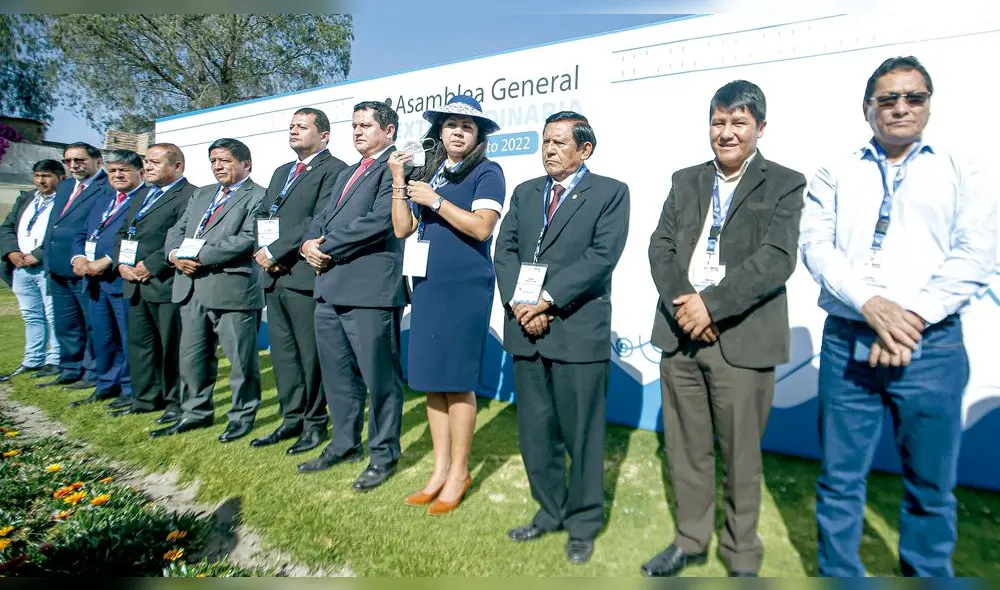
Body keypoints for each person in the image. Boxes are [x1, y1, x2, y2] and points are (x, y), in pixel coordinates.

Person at [799, 56, 997, 577]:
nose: (901, 107)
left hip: (932, 348)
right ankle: (840, 575)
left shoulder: (962, 168)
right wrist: (871, 305)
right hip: (849, 342)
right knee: (839, 481)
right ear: (868, 109)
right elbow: (817, 247)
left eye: (914, 97)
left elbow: (976, 253)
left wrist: (909, 318)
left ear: (929, 103)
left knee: (930, 487)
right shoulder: (834, 171)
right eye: (888, 98)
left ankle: (927, 575)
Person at [643, 80, 806, 578]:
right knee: (686, 450)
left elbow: (776, 260)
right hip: (681, 336)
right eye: (719, 122)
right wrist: (687, 306)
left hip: (741, 341)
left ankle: (741, 556)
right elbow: (661, 248)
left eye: (739, 122)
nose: (727, 132)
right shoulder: (685, 179)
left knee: (741, 456)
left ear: (760, 127)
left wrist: (710, 307)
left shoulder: (785, 183)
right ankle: (690, 541)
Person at [494, 111, 630, 564]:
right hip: (526, 330)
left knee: (582, 436)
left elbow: (601, 257)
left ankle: (583, 523)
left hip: (576, 333)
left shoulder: (610, 193)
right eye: (545, 142)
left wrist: (547, 300)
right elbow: (506, 249)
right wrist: (520, 304)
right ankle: (549, 511)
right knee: (535, 434)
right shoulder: (525, 192)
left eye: (559, 143)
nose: (549, 150)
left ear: (584, 149)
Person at [387, 95, 506, 515]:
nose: (457, 131)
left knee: (457, 382)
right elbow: (403, 228)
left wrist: (435, 201)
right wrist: (401, 180)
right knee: (433, 382)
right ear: (439, 130)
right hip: (429, 286)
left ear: (478, 136)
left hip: (464, 288)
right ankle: (438, 471)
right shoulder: (431, 172)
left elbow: (480, 228)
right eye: (450, 124)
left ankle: (459, 472)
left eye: (466, 126)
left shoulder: (488, 172)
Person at [297, 100, 406, 494]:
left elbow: (379, 221)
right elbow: (322, 216)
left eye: (365, 125)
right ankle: (344, 444)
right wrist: (308, 242)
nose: (357, 131)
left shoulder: (398, 167)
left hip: (369, 291)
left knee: (380, 379)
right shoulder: (347, 170)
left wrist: (326, 247)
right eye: (354, 125)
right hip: (329, 288)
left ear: (389, 130)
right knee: (338, 377)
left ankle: (383, 455)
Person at [153, 138, 266, 442]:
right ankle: (196, 412)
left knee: (241, 362)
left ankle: (242, 415)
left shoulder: (260, 196)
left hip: (232, 289)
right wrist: (175, 255)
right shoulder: (202, 195)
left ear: (246, 164)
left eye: (225, 160)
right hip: (190, 287)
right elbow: (177, 230)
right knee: (192, 358)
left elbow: (246, 239)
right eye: (214, 161)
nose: (218, 166)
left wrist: (198, 258)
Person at [250, 107, 347, 455]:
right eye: (291, 126)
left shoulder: (335, 170)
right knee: (284, 354)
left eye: (302, 127)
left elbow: (315, 220)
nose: (294, 131)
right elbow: (265, 213)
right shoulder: (281, 172)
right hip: (273, 277)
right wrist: (263, 250)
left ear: (323, 135)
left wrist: (276, 252)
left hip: (302, 275)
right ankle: (291, 417)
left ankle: (314, 423)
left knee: (310, 355)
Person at [109, 143, 197, 424]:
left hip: (164, 282)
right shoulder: (144, 194)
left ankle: (175, 401)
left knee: (170, 347)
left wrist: (153, 264)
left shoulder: (191, 195)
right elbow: (124, 231)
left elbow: (186, 237)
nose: (147, 167)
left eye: (155, 162)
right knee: (140, 344)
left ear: (177, 167)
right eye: (146, 162)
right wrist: (121, 264)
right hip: (134, 282)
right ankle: (145, 398)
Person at [66, 150, 146, 407]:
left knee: (125, 337)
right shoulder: (104, 199)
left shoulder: (144, 199)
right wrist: (78, 258)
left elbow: (137, 238)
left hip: (120, 280)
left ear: (139, 172)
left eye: (124, 170)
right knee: (102, 335)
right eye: (112, 171)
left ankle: (128, 389)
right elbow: (82, 232)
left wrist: (108, 261)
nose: (117, 175)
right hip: (93, 281)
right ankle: (105, 384)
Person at [38, 142, 112, 390]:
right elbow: (54, 225)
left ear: (97, 161)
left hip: (85, 266)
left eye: (79, 160)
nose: (73, 166)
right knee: (66, 323)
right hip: (58, 266)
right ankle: (70, 368)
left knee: (92, 324)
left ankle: (93, 372)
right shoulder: (66, 186)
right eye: (68, 161)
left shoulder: (108, 186)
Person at [0, 159, 65, 381]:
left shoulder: (65, 201)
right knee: (31, 315)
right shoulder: (26, 198)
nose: (41, 180)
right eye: (37, 176)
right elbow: (7, 227)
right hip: (20, 267)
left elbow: (61, 234)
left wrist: (37, 255)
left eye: (46, 176)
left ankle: (55, 359)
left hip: (45, 267)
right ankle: (33, 360)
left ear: (60, 178)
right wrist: (11, 252)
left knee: (52, 314)